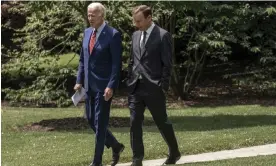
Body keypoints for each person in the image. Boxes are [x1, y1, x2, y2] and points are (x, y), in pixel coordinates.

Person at [126, 5, 181, 166]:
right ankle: (137, 159)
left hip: (154, 87)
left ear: (149, 18)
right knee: (134, 122)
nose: (136, 24)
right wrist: (130, 78)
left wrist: (162, 86)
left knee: (162, 122)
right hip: (135, 87)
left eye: (139, 21)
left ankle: (174, 152)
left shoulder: (163, 36)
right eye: (135, 21)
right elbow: (132, 60)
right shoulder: (135, 35)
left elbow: (167, 64)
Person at [74, 2, 124, 166]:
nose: (90, 18)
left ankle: (97, 162)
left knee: (100, 124)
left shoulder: (113, 34)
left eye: (93, 15)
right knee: (90, 119)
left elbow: (117, 64)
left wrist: (111, 85)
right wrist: (79, 80)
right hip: (88, 86)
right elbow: (83, 59)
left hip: (104, 87)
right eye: (88, 15)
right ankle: (116, 146)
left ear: (102, 15)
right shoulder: (87, 32)